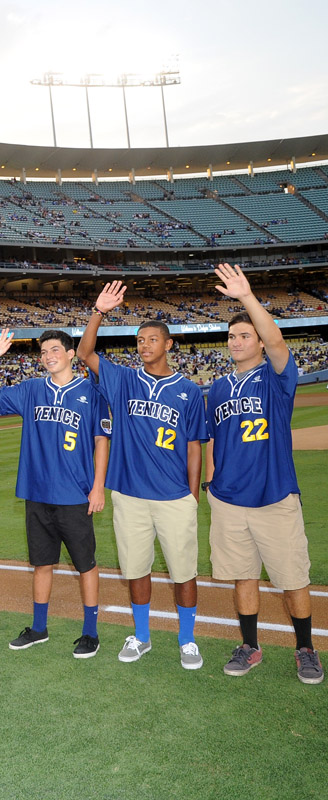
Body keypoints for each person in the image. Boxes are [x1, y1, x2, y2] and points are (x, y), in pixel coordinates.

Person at [76, 280, 208, 670]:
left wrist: (192, 495)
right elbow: (84, 353)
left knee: (184, 572)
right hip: (130, 495)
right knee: (136, 570)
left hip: (174, 496)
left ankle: (187, 640)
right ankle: (142, 636)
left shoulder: (188, 391)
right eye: (139, 340)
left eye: (152, 340)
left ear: (168, 344)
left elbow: (194, 446)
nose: (144, 345)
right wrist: (99, 311)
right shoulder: (124, 380)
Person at [205, 263, 323, 685]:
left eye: (244, 335)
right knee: (243, 577)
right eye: (231, 336)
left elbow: (277, 342)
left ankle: (305, 649)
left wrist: (246, 297)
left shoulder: (276, 377)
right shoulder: (218, 387)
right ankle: (250, 646)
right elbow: (213, 438)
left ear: (257, 340)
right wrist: (211, 484)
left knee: (293, 580)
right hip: (229, 500)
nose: (236, 342)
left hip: (274, 495)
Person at [0, 329, 110, 658]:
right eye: (42, 352)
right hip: (37, 493)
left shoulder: (91, 391)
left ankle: (91, 632)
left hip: (75, 494)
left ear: (70, 354)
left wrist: (98, 486)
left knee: (85, 566)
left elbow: (101, 440)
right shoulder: (32, 389)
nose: (48, 356)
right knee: (41, 564)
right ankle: (39, 628)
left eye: (54, 349)